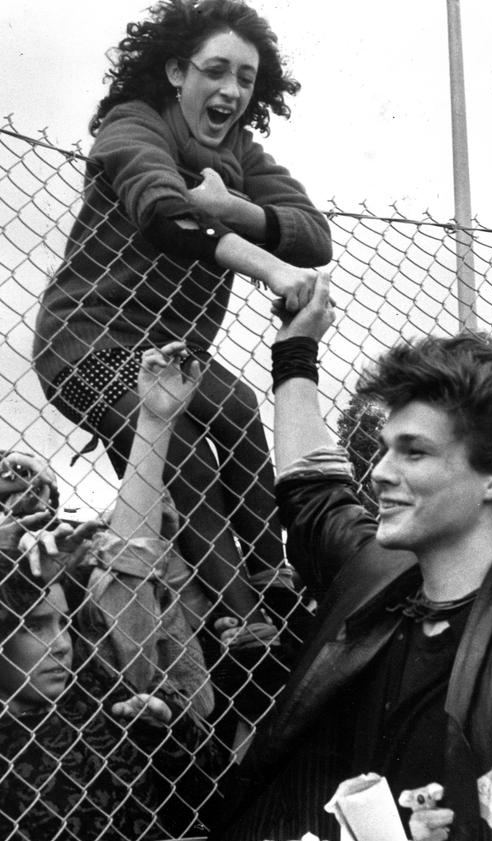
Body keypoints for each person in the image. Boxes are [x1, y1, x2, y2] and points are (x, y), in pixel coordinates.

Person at [201, 274, 492, 841]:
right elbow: (313, 491)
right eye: (386, 448)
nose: (381, 472)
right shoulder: (373, 578)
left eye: (414, 452)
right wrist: (295, 351)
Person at [32, 0, 332, 643]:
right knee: (188, 456)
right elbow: (165, 212)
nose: (230, 91)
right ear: (176, 71)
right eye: (215, 70)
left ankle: (272, 579)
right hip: (86, 341)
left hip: (172, 350)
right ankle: (245, 620)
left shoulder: (241, 156)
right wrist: (270, 268)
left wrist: (236, 207)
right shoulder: (131, 125)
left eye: (245, 79)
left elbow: (314, 235)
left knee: (239, 409)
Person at [0, 344, 224, 841]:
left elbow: (131, 561)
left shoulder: (96, 681)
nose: (60, 643)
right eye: (7, 499)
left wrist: (153, 422)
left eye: (32, 495)